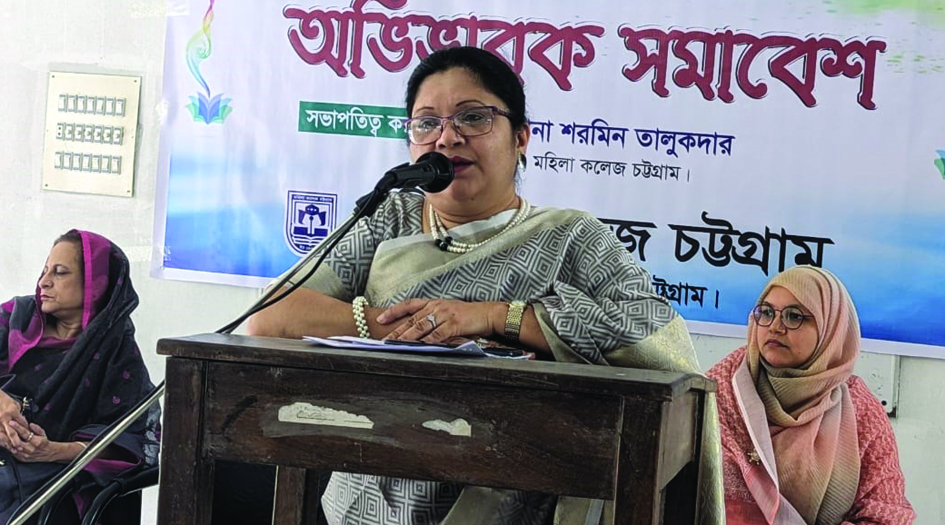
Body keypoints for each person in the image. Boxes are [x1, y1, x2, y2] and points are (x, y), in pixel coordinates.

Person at [248, 46, 724, 525]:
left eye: (472, 117)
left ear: (521, 138)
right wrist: (406, 327)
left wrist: (497, 317)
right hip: (369, 491)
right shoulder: (388, 219)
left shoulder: (570, 237)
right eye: (426, 123)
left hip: (512, 500)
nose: (446, 138)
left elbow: (656, 334)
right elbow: (271, 315)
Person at [706, 265, 915, 525]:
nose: (775, 327)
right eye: (766, 312)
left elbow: (886, 514)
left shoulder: (860, 410)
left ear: (831, 330)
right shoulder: (722, 389)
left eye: (794, 316)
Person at [0, 230, 161, 523]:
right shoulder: (16, 318)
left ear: (95, 284)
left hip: (48, 481)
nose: (44, 281)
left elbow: (133, 440)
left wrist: (52, 451)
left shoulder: (115, 351)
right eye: (45, 270)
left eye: (60, 272)